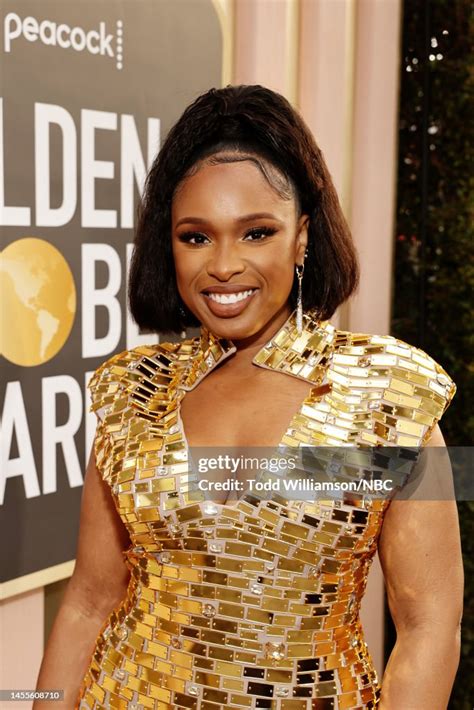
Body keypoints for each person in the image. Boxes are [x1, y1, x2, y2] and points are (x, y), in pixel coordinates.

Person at [34, 85, 463, 710]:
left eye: (256, 232)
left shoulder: (388, 393)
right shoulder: (133, 393)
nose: (224, 265)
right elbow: (88, 602)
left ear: (302, 238)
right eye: (196, 237)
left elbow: (429, 626)